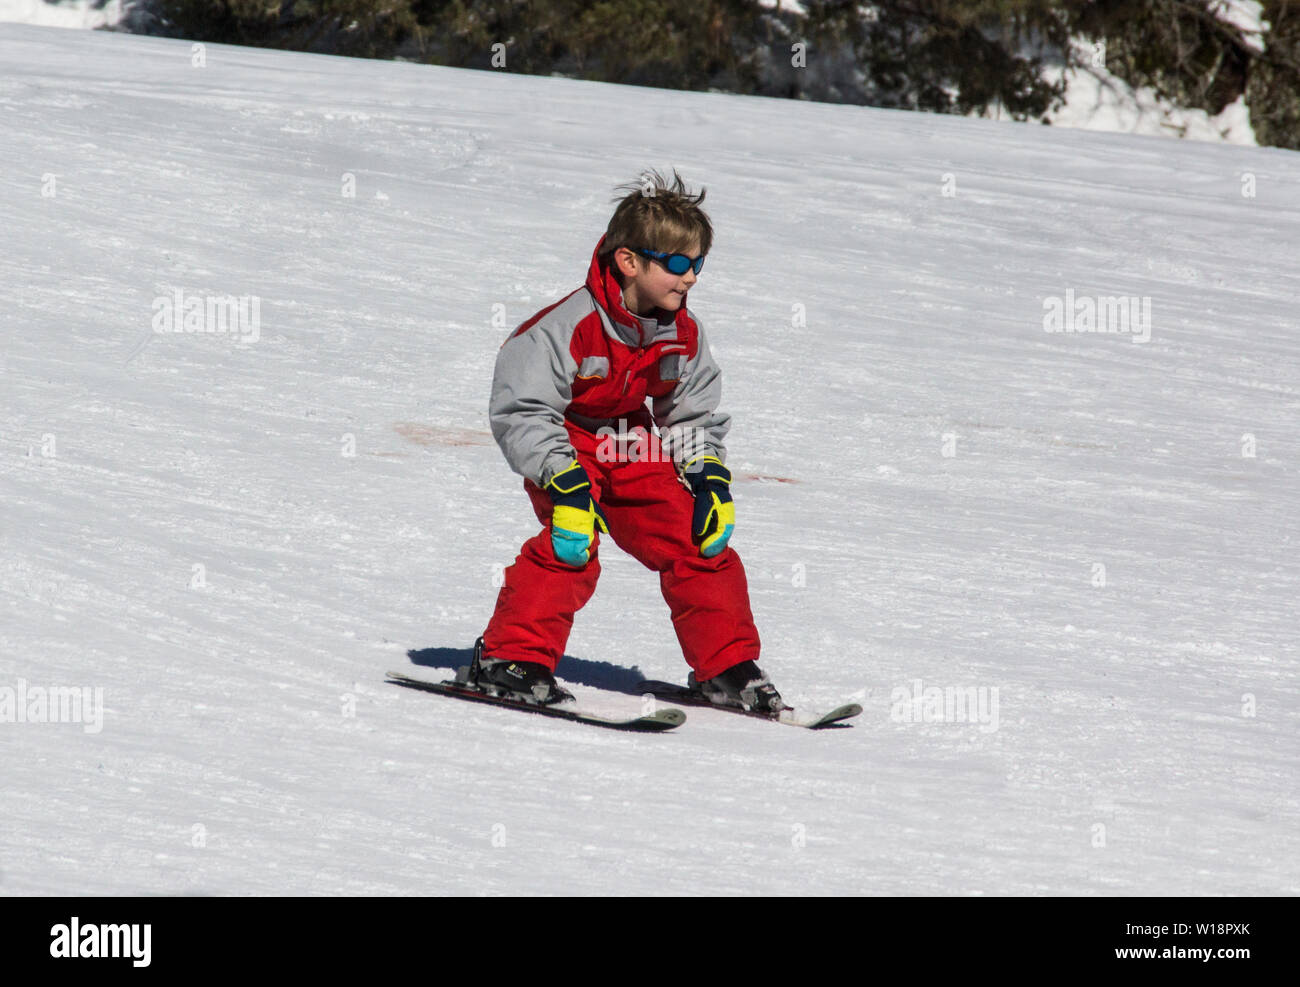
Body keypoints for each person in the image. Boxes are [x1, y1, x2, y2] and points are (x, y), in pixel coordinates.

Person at [472, 168, 784, 714]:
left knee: (698, 539)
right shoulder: (566, 327)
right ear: (629, 261)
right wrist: (563, 479)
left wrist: (708, 473)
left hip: (628, 441)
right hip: (565, 442)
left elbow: (689, 412)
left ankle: (726, 667)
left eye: (698, 265)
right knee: (574, 539)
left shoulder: (681, 331)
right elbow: (521, 408)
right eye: (678, 264)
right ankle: (509, 658)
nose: (689, 279)